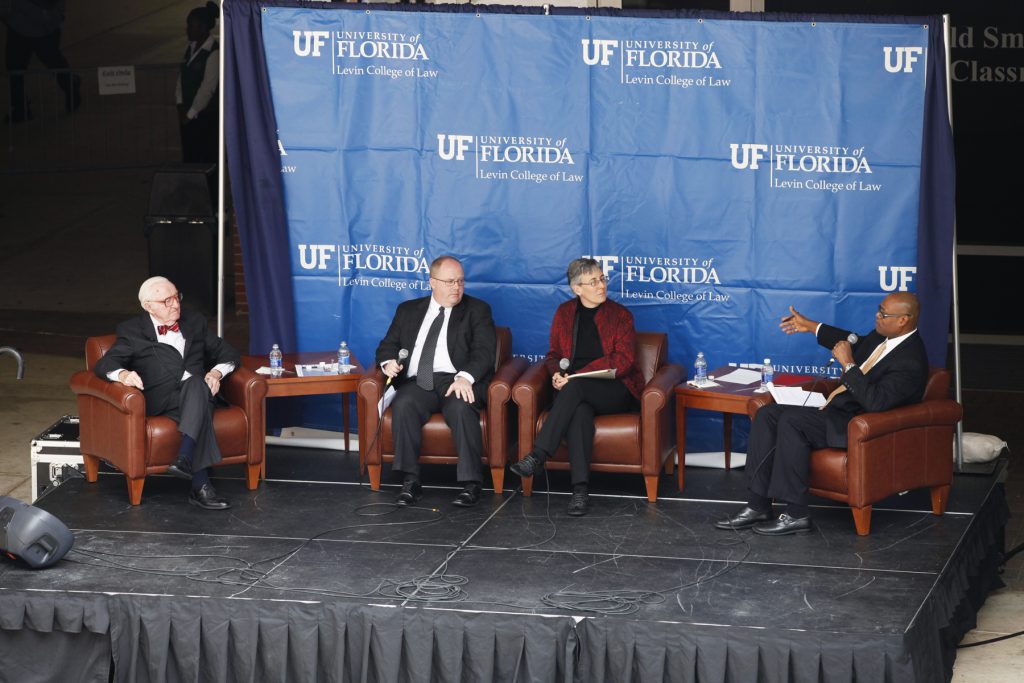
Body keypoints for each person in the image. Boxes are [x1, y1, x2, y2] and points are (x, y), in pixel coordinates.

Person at [715, 292, 929, 535]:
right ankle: (757, 506)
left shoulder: (911, 361)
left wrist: (849, 365)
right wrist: (810, 326)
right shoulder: (883, 337)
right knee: (767, 414)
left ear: (903, 320)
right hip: (836, 412)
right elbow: (852, 341)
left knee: (792, 421)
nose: (877, 316)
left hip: (856, 425)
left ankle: (796, 514)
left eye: (883, 313)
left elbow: (876, 402)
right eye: (879, 309)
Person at [509, 257, 644, 516]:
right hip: (575, 391)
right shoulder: (564, 313)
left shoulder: (621, 315)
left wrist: (576, 376)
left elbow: (624, 361)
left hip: (614, 389)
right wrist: (557, 375)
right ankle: (580, 491)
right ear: (577, 288)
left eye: (602, 279)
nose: (601, 286)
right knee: (579, 412)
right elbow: (553, 355)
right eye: (593, 282)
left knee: (576, 388)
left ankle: (537, 455)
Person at [94, 276, 240, 510]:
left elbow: (229, 352)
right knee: (199, 397)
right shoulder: (132, 330)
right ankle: (194, 474)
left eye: (176, 297)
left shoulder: (194, 321)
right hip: (161, 398)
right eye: (166, 301)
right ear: (148, 306)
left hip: (198, 391)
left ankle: (188, 464)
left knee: (196, 386)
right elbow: (105, 363)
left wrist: (215, 373)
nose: (175, 304)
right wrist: (123, 375)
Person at [375, 256, 497, 508]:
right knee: (404, 403)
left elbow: (484, 352)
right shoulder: (408, 310)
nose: (457, 287)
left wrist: (465, 377)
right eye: (450, 282)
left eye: (460, 281)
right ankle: (410, 481)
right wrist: (388, 362)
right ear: (432, 282)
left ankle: (471, 483)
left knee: (461, 407)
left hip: (456, 379)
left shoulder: (477, 310)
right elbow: (388, 345)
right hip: (420, 379)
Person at [2, 0, 80, 124]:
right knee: (54, 62)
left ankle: (20, 109)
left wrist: (6, 15)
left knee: (16, 69)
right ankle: (71, 88)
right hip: (42, 26)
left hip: (23, 27)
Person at [175, 2, 219, 163]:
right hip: (188, 114)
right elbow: (182, 77)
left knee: (206, 159)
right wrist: (180, 103)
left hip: (205, 117)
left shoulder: (214, 52)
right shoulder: (191, 48)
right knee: (190, 158)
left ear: (203, 28)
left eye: (191, 26)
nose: (187, 29)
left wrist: (190, 114)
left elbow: (207, 89)